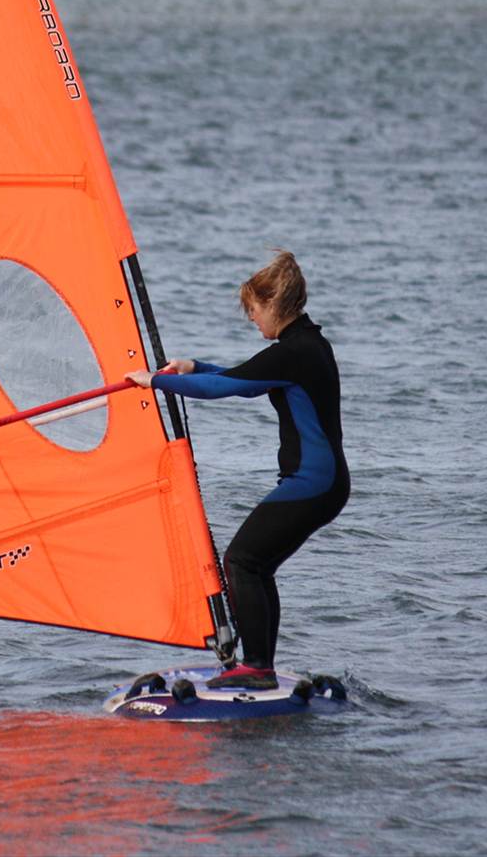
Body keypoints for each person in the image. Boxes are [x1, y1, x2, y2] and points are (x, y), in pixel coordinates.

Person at [126, 250, 348, 690]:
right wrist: (193, 368)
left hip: (313, 483)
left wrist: (156, 381)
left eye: (253, 309)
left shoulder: (294, 352)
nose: (251, 318)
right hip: (324, 484)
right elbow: (244, 381)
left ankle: (258, 668)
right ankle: (259, 664)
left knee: (241, 560)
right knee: (257, 566)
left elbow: (222, 388)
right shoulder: (307, 345)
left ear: (273, 305)